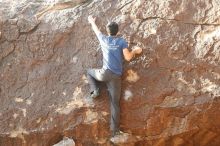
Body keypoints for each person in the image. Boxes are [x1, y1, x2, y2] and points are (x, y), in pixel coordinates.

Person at [87, 15, 142, 138]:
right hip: (116, 77)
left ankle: (94, 90)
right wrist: (135, 51)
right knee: (114, 104)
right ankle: (115, 131)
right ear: (118, 31)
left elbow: (96, 30)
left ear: (108, 31)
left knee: (89, 72)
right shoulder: (121, 41)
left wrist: (92, 21)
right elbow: (128, 57)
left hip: (103, 74)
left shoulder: (103, 39)